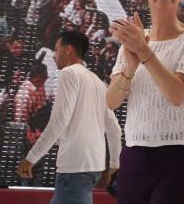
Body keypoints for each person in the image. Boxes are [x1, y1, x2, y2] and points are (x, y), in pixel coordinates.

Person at [107, 0, 184, 204]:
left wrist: (143, 51)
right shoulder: (134, 41)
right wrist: (130, 67)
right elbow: (111, 101)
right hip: (134, 154)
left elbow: (177, 94)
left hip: (181, 155)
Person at [18, 30, 122, 204]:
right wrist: (114, 165)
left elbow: (59, 121)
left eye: (57, 50)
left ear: (68, 50)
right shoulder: (97, 81)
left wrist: (31, 158)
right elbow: (114, 128)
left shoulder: (68, 73)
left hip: (74, 166)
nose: (53, 56)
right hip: (92, 166)